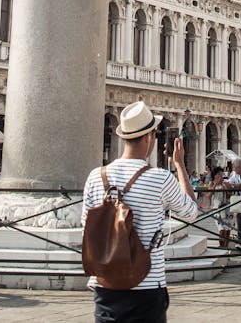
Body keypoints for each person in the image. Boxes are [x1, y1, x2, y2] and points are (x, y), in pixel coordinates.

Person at [82, 100, 197, 322]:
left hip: (105, 284)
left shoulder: (96, 177)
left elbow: (87, 225)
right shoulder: (160, 178)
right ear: (149, 137)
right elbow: (191, 212)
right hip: (146, 284)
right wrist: (180, 165)